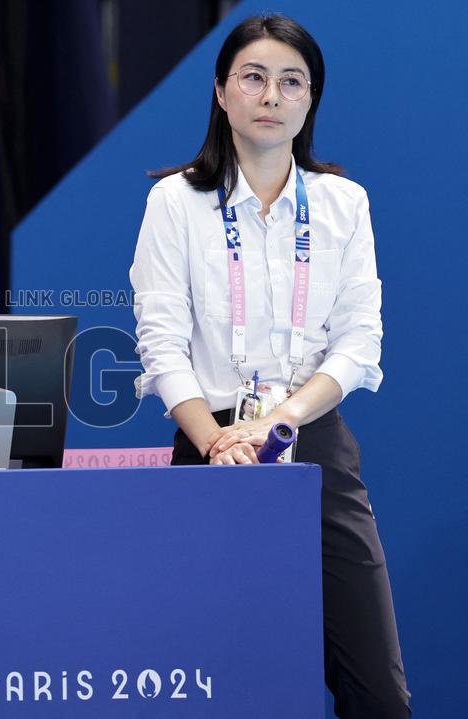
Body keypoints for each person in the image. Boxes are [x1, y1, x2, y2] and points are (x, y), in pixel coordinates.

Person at [128, 14, 411, 718]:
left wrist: (278, 421)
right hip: (207, 449)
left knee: (379, 694)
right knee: (218, 687)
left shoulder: (345, 205)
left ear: (310, 101)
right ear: (221, 92)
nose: (271, 95)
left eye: (292, 82)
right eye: (253, 77)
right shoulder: (175, 203)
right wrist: (218, 437)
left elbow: (358, 344)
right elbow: (161, 343)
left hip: (310, 445)